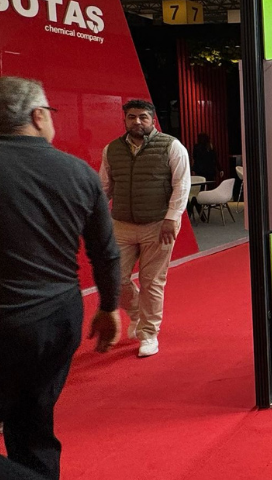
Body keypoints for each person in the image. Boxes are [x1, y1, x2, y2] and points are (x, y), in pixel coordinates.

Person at [0, 77, 121, 480]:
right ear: (38, 116)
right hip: (57, 318)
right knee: (34, 425)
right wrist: (109, 307)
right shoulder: (79, 172)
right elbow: (105, 251)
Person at [98, 99, 190, 358]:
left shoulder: (171, 146)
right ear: (124, 119)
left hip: (159, 225)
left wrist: (172, 218)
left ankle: (149, 333)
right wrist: (94, 216)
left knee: (152, 281)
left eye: (142, 117)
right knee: (115, 279)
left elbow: (181, 184)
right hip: (121, 225)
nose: (137, 121)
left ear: (153, 120)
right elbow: (104, 187)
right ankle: (137, 311)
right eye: (131, 117)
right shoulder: (111, 149)